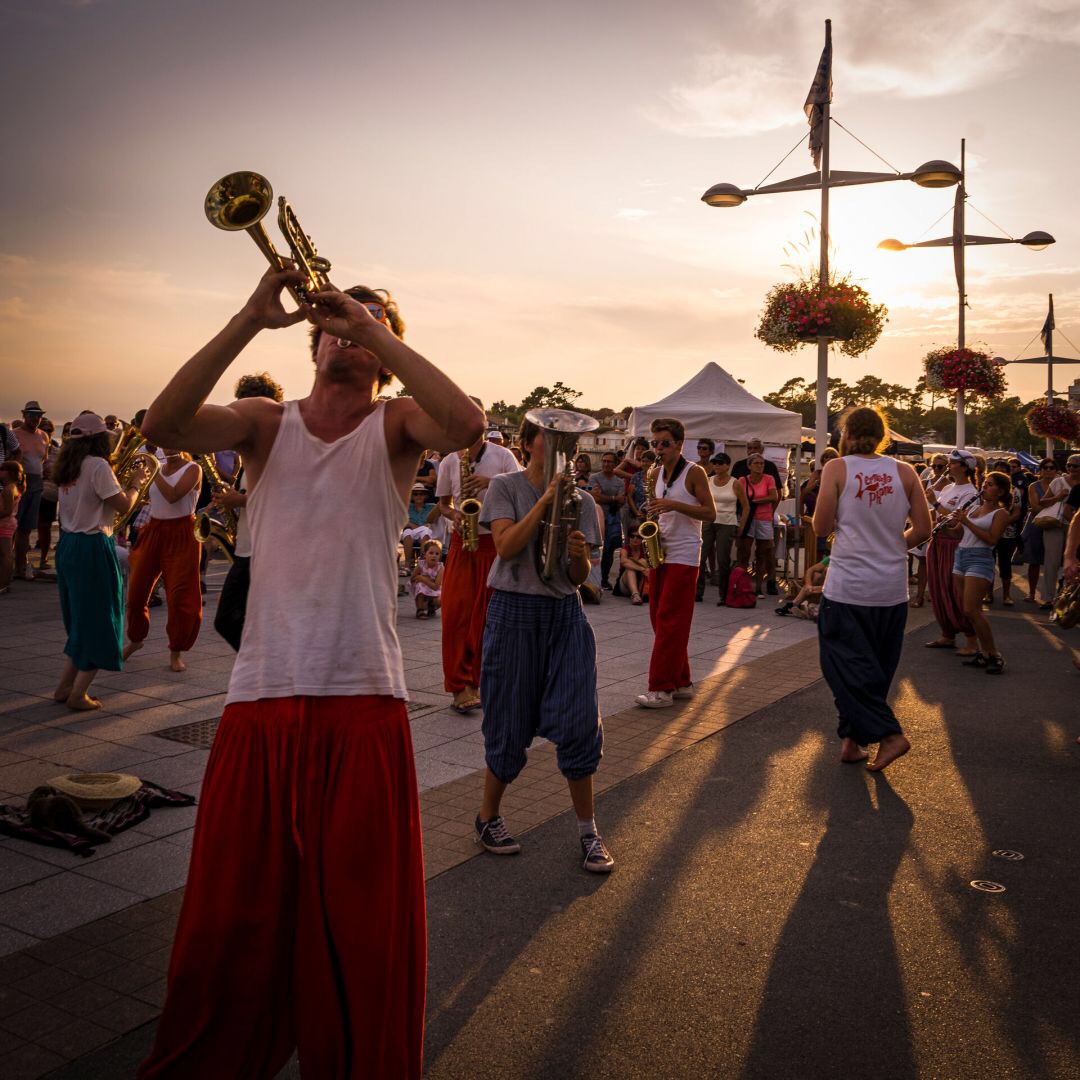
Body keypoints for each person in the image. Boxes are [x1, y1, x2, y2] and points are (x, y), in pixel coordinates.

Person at [135, 269, 483, 1080]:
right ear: (312, 341)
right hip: (261, 696)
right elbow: (164, 424)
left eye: (359, 330)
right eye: (331, 326)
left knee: (363, 924)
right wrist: (248, 317)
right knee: (233, 918)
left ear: (377, 351)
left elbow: (465, 424)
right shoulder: (265, 422)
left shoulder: (396, 422)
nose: (343, 337)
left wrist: (375, 327)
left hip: (363, 699)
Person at [472, 414, 613, 872]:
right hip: (513, 612)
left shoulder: (584, 500)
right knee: (509, 723)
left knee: (578, 721)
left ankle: (588, 831)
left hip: (563, 614)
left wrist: (578, 559)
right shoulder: (505, 487)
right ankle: (488, 816)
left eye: (567, 445)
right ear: (528, 443)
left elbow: (578, 578)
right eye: (552, 442)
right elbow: (508, 546)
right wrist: (546, 501)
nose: (561, 452)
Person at [812, 406, 931, 771]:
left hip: (849, 585)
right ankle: (852, 741)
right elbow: (924, 530)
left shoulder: (837, 468)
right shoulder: (905, 471)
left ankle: (890, 735)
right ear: (883, 436)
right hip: (891, 588)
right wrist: (893, 545)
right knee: (874, 669)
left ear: (845, 436)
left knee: (842, 666)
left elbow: (820, 527)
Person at [52, 413, 152, 710]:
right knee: (101, 619)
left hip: (68, 544)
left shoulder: (68, 466)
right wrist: (136, 484)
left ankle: (64, 686)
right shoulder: (97, 465)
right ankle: (78, 694)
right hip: (92, 545)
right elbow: (122, 504)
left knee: (81, 620)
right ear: (99, 439)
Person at [436, 407, 520, 714]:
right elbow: (443, 504)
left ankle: (487, 681)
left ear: (482, 424)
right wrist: (455, 515)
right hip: (463, 541)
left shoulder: (503, 457)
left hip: (494, 542)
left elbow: (523, 492)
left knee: (490, 618)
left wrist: (490, 482)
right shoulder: (449, 460)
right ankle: (460, 686)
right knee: (455, 616)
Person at [635, 417, 715, 708]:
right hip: (661, 551)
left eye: (665, 443)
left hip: (684, 553)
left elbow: (710, 513)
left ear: (680, 444)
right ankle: (682, 681)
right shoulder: (654, 473)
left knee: (671, 620)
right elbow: (658, 510)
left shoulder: (694, 473)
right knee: (659, 617)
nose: (659, 448)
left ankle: (661, 689)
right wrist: (652, 518)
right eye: (655, 443)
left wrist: (673, 505)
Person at [212, 370, 286, 651]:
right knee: (239, 619)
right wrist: (231, 498)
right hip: (249, 547)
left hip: (266, 550)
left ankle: (268, 667)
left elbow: (284, 492)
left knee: (229, 619)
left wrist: (239, 501)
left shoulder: (277, 447)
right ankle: (269, 669)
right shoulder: (253, 449)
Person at [123, 450, 203, 673]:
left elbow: (173, 495)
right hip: (154, 528)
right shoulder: (156, 466)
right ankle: (135, 639)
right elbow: (149, 498)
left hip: (182, 533)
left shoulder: (193, 469)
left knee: (180, 596)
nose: (168, 446)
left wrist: (154, 470)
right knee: (136, 593)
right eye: (164, 442)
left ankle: (176, 651)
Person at [951, 471, 1012, 673]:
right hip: (961, 555)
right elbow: (958, 532)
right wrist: (945, 526)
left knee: (972, 610)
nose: (984, 487)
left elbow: (992, 539)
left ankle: (994, 654)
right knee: (968, 610)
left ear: (1001, 491)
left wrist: (967, 522)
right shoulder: (974, 508)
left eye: (990, 484)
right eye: (985, 483)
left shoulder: (1001, 513)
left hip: (980, 557)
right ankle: (984, 653)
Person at [924, 450, 979, 653]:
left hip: (954, 545)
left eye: (953, 462)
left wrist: (935, 503)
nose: (948, 465)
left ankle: (971, 639)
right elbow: (936, 514)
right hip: (938, 541)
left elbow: (957, 520)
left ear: (964, 467)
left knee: (955, 591)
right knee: (938, 588)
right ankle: (947, 634)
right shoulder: (948, 487)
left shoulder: (970, 492)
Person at [700, 451, 748, 604]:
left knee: (723, 559)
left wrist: (741, 525)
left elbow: (746, 506)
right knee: (700, 558)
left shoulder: (735, 482)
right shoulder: (708, 480)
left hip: (727, 522)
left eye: (720, 463)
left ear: (727, 465)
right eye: (715, 463)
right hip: (708, 521)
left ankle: (723, 594)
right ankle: (697, 592)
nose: (717, 466)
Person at [12, 400, 50, 581]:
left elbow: (43, 461)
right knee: (12, 527)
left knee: (27, 528)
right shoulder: (14, 435)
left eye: (39, 415)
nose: (36, 418)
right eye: (32, 414)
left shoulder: (44, 436)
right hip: (18, 483)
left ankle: (20, 565)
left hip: (36, 484)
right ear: (24, 415)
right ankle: (11, 564)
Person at [1030, 458, 1072, 609]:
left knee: (1072, 562)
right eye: (1069, 465)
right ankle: (1048, 598)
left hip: (1074, 526)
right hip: (1055, 523)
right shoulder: (1058, 482)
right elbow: (1043, 502)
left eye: (1076, 466)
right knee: (1051, 561)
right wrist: (1058, 497)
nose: (1072, 468)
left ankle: (1068, 597)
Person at [736, 453, 779, 596]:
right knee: (744, 552)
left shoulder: (769, 479)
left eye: (762, 463)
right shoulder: (742, 480)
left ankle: (759, 587)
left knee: (762, 553)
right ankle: (742, 585)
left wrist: (753, 502)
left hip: (764, 519)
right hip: (747, 519)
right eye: (757, 463)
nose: (760, 466)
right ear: (749, 466)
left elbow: (774, 496)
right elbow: (738, 499)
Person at [590, 451, 625, 590]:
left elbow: (621, 501)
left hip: (612, 520)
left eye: (609, 461)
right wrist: (613, 498)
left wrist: (609, 498)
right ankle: (595, 578)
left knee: (609, 550)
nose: (605, 464)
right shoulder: (594, 477)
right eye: (604, 461)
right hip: (598, 517)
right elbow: (596, 498)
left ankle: (604, 579)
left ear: (615, 464)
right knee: (596, 549)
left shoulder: (619, 481)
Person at [0, 461, 26, 594]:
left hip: (4, 523)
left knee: (6, 554)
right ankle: (4, 582)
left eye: (1, 469)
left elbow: (7, 511)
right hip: (9, 523)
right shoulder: (13, 487)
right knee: (6, 553)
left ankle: (3, 583)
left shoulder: (8, 489)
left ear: (9, 473)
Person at [402, 484, 439, 572]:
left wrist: (411, 524)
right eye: (416, 494)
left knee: (425, 532)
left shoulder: (431, 507)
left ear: (425, 496)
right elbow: (402, 521)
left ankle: (423, 563)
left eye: (421, 494)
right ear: (411, 496)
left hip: (426, 531)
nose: (419, 496)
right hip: (412, 531)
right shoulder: (407, 507)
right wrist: (410, 524)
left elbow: (435, 519)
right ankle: (407, 564)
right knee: (407, 532)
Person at [614, 527, 650, 604]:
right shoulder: (625, 550)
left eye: (638, 536)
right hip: (624, 584)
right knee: (630, 569)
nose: (635, 539)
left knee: (643, 561)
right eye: (632, 536)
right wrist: (641, 569)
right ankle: (635, 595)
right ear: (629, 537)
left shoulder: (645, 550)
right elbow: (624, 562)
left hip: (641, 582)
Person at [411, 538, 444, 618]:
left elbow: (436, 587)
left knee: (442, 598)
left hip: (434, 588)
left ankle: (431, 606)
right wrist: (420, 579)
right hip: (423, 588)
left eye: (437, 554)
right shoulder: (421, 564)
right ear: (425, 554)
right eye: (431, 553)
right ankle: (420, 610)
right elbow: (413, 578)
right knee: (420, 586)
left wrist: (423, 579)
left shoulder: (440, 567)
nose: (434, 556)